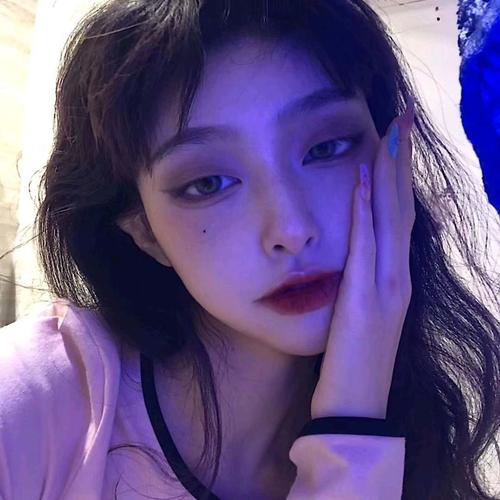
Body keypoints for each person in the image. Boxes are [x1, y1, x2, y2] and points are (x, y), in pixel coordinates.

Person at [1, 0, 499, 499]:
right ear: (144, 230)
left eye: (326, 148)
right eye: (209, 183)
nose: (292, 229)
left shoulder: (426, 436)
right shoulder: (32, 399)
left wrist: (357, 414)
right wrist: (352, 437)